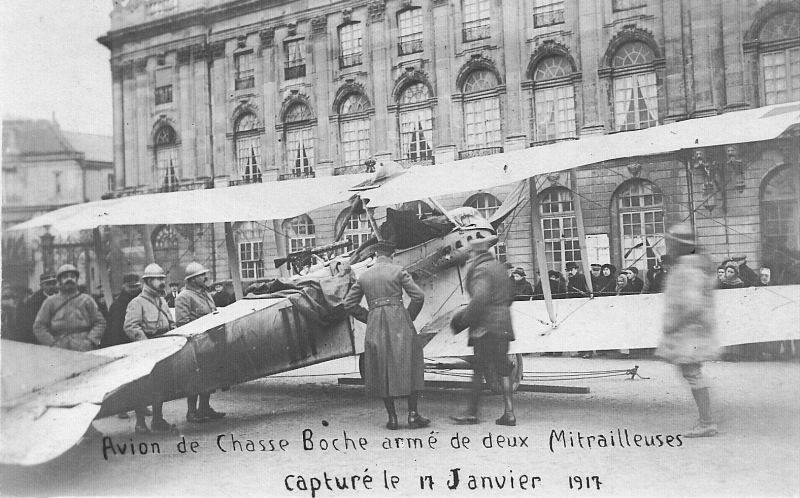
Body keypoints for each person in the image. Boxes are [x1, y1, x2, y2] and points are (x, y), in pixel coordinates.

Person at [343, 241, 429, 430]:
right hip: (400, 321)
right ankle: (413, 415)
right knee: (410, 363)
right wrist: (408, 317)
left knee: (382, 368)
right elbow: (419, 296)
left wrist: (369, 316)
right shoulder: (398, 271)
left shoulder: (364, 276)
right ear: (391, 255)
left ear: (375, 256)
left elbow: (348, 304)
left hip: (376, 325)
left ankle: (392, 418)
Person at [657, 223, 719, 437]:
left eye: (672, 243)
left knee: (692, 373)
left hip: (688, 331)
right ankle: (707, 418)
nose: (669, 247)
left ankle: (707, 422)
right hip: (692, 330)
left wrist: (673, 324)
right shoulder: (694, 264)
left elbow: (692, 304)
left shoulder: (687, 268)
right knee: (691, 372)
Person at [449, 235, 516, 426]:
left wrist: (463, 320)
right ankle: (509, 413)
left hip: (485, 327)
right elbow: (511, 296)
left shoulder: (480, 269)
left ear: (474, 253)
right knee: (503, 369)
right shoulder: (499, 268)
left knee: (478, 369)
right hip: (503, 324)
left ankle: (471, 413)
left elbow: (480, 299)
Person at [124, 263, 176, 433]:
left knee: (160, 386)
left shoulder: (162, 300)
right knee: (143, 387)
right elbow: (131, 326)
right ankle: (140, 423)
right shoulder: (137, 302)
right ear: (147, 281)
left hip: (163, 347)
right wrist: (146, 344)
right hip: (146, 349)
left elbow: (170, 321)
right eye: (158, 279)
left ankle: (158, 420)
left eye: (163, 279)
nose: (162, 282)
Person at [176, 262, 226, 423]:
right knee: (195, 379)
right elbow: (183, 323)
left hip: (211, 342)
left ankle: (204, 408)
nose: (206, 277)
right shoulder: (184, 297)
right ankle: (191, 412)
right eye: (201, 275)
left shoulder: (205, 293)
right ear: (192, 279)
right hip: (196, 345)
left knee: (209, 377)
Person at [33, 264, 105, 351]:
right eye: (65, 277)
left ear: (77, 280)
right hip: (59, 349)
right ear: (59, 280)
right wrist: (52, 344)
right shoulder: (50, 302)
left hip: (83, 347)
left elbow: (100, 322)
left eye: (72, 276)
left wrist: (90, 341)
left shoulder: (87, 300)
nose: (69, 279)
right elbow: (39, 326)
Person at [12, 273, 57, 344]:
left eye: (53, 284)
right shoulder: (34, 301)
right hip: (41, 338)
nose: (51, 286)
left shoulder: (60, 297)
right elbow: (32, 323)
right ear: (41, 285)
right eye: (48, 284)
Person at [101, 273, 141, 348]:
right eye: (130, 287)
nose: (133, 289)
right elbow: (114, 331)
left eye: (136, 286)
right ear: (124, 286)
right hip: (123, 345)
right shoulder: (117, 306)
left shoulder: (144, 302)